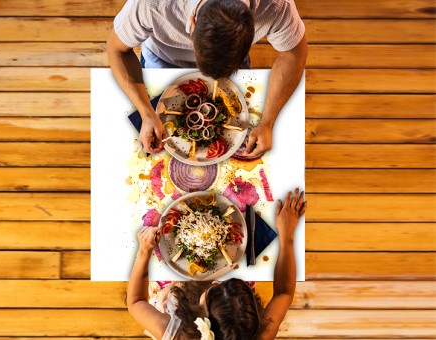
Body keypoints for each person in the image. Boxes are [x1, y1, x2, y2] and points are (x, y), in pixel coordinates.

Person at [107, 0, 308, 156]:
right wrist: (146, 114)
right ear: (192, 23)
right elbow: (116, 49)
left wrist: (267, 122)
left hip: (234, 68)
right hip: (162, 60)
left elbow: (293, 54)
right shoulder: (150, 5)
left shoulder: (276, 6)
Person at [127, 189, 306, 339]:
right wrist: (287, 235)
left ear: (202, 319)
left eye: (214, 289)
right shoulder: (258, 334)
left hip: (175, 296)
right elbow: (284, 293)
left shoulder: (177, 334)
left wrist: (144, 251)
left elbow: (136, 301)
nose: (217, 281)